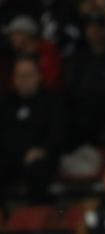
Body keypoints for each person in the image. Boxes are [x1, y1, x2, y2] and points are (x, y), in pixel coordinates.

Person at [0, 57, 63, 205]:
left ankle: (34, 218)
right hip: (10, 157)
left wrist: (42, 150)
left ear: (39, 76)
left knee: (37, 170)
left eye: (28, 75)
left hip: (40, 157)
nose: (24, 80)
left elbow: (58, 132)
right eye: (20, 76)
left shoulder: (52, 102)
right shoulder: (6, 103)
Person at [64, 12, 105, 148]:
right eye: (90, 28)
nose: (93, 32)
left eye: (97, 28)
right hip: (81, 108)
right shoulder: (79, 57)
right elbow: (72, 86)